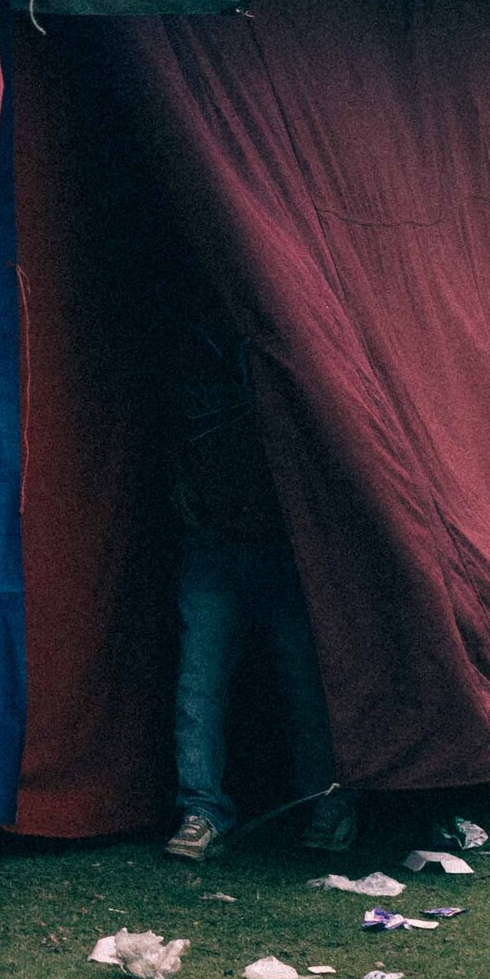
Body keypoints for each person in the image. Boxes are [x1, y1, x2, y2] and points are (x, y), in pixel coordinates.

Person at [164, 302, 351, 864]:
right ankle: (202, 810)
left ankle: (328, 802)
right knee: (199, 686)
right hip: (216, 541)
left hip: (282, 545)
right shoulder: (197, 353)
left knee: (304, 683)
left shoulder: (293, 344)